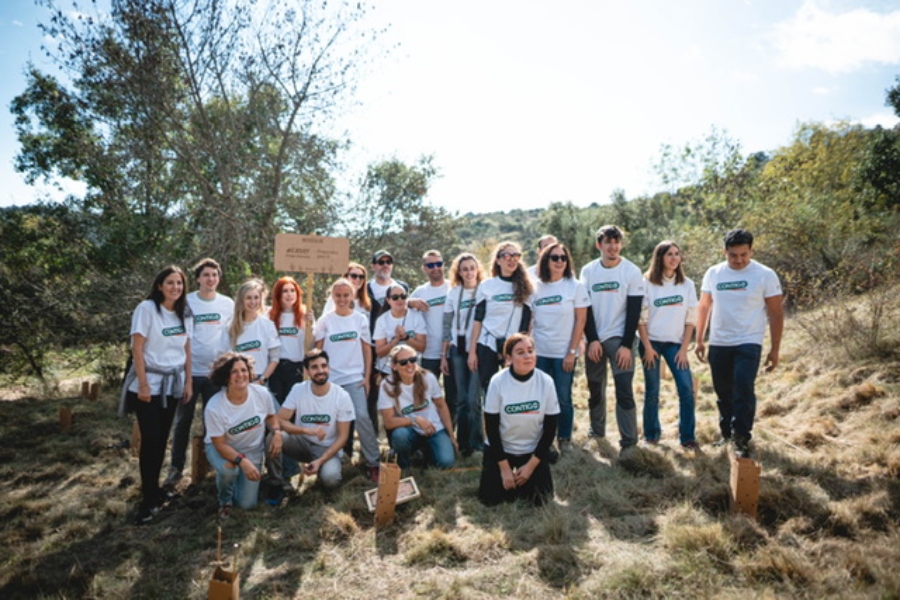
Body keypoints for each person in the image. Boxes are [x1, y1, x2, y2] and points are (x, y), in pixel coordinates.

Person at [695, 228, 784, 458]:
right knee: (723, 392)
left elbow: (776, 313)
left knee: (743, 388)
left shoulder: (765, 275)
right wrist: (699, 340)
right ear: (724, 252)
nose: (739, 260)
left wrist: (775, 349)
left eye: (744, 254)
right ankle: (727, 435)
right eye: (733, 255)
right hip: (719, 341)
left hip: (749, 341)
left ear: (752, 251)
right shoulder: (714, 273)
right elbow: (704, 306)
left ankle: (741, 438)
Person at [119, 265, 193, 524]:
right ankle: (147, 497)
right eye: (170, 282)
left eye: (180, 283)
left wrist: (188, 382)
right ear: (160, 285)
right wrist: (142, 384)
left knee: (162, 439)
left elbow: (187, 349)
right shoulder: (147, 309)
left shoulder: (184, 313)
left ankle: (157, 490)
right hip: (148, 383)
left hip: (172, 385)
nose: (175, 287)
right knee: (149, 438)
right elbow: (137, 349)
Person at [165, 258, 233, 489]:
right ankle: (176, 467)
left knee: (212, 421)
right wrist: (186, 375)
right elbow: (182, 338)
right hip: (190, 372)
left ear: (219, 278)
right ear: (197, 279)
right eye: (206, 275)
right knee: (183, 420)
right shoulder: (188, 302)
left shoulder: (227, 304)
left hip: (216, 374)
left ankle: (210, 465)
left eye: (214, 275)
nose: (210, 279)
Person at [580, 225, 645, 453]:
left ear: (621, 244)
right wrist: (593, 340)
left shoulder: (631, 271)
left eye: (617, 242)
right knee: (595, 388)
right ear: (599, 245)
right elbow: (584, 308)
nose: (613, 247)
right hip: (595, 340)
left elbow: (634, 311)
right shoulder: (588, 272)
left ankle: (629, 442)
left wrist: (627, 345)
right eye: (608, 242)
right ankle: (597, 432)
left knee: (624, 389)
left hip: (621, 339)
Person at [479, 333, 559, 506]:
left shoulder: (546, 382)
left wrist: (531, 466)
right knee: (490, 501)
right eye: (520, 352)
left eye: (530, 351)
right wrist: (504, 468)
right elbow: (491, 428)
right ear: (509, 358)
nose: (527, 356)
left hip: (532, 451)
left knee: (541, 501)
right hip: (501, 449)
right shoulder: (497, 382)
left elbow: (551, 428)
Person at [315, 278, 381, 482]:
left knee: (362, 416)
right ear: (332, 296)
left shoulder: (360, 319)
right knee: (333, 422)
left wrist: (367, 377)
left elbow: (366, 349)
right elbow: (317, 350)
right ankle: (335, 459)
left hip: (354, 378)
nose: (342, 299)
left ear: (352, 295)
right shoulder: (325, 320)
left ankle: (373, 462)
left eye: (346, 295)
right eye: (338, 295)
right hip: (332, 380)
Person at [204, 352, 283, 518]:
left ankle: (238, 485)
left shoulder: (261, 393)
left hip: (253, 451)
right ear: (226, 377)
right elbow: (220, 444)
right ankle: (224, 500)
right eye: (234, 372)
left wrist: (276, 431)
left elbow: (270, 416)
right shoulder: (215, 406)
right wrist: (242, 461)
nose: (241, 375)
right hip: (223, 448)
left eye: (244, 370)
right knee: (228, 471)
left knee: (246, 505)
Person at [637, 241, 699, 450]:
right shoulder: (646, 283)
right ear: (659, 258)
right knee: (653, 391)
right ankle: (651, 435)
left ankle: (688, 437)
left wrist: (683, 349)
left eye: (677, 254)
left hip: (675, 344)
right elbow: (641, 318)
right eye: (669, 254)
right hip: (651, 343)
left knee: (686, 388)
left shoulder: (687, 284)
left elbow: (691, 319)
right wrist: (647, 347)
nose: (674, 258)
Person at [529, 242, 589, 454]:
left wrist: (572, 352)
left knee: (563, 397)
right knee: (541, 397)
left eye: (563, 258)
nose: (560, 262)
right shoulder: (535, 286)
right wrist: (529, 351)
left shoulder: (575, 286)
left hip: (564, 353)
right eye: (555, 258)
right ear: (546, 261)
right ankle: (544, 441)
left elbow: (581, 321)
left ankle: (564, 439)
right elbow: (530, 320)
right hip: (540, 353)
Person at [267, 349, 353, 490]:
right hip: (301, 443)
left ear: (329, 368)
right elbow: (280, 420)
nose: (320, 370)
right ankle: (276, 484)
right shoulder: (298, 389)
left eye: (323, 366)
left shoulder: (342, 396)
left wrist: (320, 461)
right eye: (314, 367)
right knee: (273, 437)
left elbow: (343, 437)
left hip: (327, 448)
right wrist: (305, 430)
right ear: (306, 371)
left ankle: (325, 468)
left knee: (331, 480)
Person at [468, 241, 533, 397]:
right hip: (487, 343)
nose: (512, 259)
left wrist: (520, 348)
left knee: (513, 389)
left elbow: (526, 321)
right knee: (489, 391)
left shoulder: (526, 286)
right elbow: (478, 319)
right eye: (507, 256)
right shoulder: (487, 285)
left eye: (516, 255)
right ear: (498, 260)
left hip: (513, 345)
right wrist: (472, 352)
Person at [378, 344, 457, 469]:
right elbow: (388, 422)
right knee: (399, 436)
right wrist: (415, 420)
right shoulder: (387, 385)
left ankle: (426, 453)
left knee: (446, 463)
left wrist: (451, 437)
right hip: (410, 430)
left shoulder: (428, 378)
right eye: (403, 362)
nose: (409, 365)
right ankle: (404, 465)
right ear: (394, 366)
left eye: (413, 360)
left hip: (434, 428)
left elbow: (441, 406)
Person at [441, 252, 486, 457]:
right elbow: (447, 325)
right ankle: (463, 444)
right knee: (459, 399)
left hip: (478, 349)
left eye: (472, 268)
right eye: (464, 269)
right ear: (458, 272)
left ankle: (477, 444)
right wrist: (443, 355)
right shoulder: (453, 293)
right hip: (457, 350)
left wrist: (475, 351)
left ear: (478, 269)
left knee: (473, 399)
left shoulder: (484, 290)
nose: (469, 272)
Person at [408, 250, 456, 420]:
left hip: (452, 351)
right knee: (426, 397)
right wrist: (410, 302)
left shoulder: (453, 287)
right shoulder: (420, 292)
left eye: (438, 264)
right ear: (424, 268)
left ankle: (451, 436)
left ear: (444, 265)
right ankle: (429, 435)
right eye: (430, 265)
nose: (435, 268)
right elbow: (399, 307)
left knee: (453, 398)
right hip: (428, 353)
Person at [268, 276, 314, 407]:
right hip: (276, 368)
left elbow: (311, 343)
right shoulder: (270, 315)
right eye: (285, 291)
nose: (289, 294)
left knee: (294, 406)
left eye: (292, 290)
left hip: (297, 367)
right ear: (278, 294)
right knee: (277, 406)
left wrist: (310, 324)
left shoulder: (304, 314)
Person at [226, 279, 280, 386]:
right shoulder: (229, 326)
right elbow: (225, 358)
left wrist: (262, 379)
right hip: (237, 381)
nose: (253, 302)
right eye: (248, 298)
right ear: (241, 300)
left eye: (256, 297)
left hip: (260, 380)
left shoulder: (267, 325)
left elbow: (275, 358)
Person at [374, 283, 427, 377]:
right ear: (388, 300)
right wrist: (396, 340)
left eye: (403, 296)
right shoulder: (382, 320)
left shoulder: (416, 316)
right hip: (388, 371)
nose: (400, 300)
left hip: (411, 370)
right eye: (395, 297)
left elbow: (422, 347)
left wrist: (406, 337)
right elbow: (380, 352)